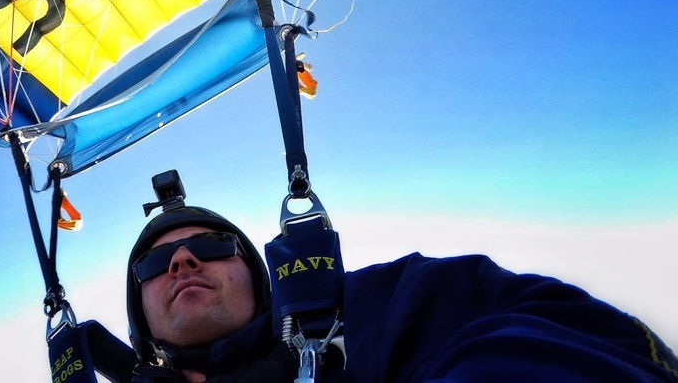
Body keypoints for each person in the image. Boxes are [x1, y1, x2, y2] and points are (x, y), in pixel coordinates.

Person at [124, 174, 678, 382]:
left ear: (258, 275)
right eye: (155, 262)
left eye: (211, 246)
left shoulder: (369, 314)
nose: (183, 262)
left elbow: (560, 322)